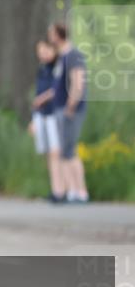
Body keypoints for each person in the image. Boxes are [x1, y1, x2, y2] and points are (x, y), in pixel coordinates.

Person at [48, 23, 89, 204]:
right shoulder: (61, 57)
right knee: (64, 151)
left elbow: (78, 81)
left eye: (51, 33)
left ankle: (81, 192)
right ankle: (70, 191)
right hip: (59, 109)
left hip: (69, 110)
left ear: (59, 34)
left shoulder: (74, 55)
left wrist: (71, 105)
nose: (49, 36)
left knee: (69, 149)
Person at [29, 39, 64, 200]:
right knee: (49, 153)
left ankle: (63, 190)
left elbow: (57, 89)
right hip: (41, 115)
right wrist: (33, 119)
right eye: (39, 51)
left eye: (45, 50)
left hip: (54, 113)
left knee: (57, 152)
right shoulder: (41, 68)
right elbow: (37, 94)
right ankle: (55, 189)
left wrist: (42, 99)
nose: (42, 54)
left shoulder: (58, 66)